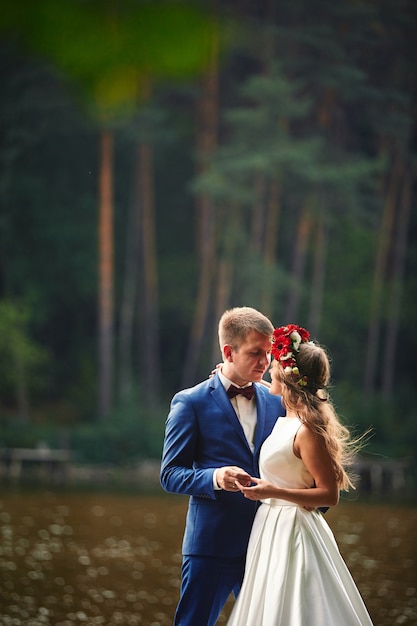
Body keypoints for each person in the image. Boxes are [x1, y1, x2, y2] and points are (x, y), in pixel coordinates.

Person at [227, 324, 373, 626]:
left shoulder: (307, 431)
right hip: (269, 525)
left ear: (288, 376)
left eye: (276, 363)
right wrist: (226, 373)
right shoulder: (286, 417)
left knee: (297, 604)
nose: (269, 366)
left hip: (294, 529)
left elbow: (328, 494)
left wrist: (273, 492)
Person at [160, 306, 286, 626]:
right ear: (229, 352)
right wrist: (216, 477)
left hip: (266, 541)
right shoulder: (190, 402)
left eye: (268, 353)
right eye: (256, 353)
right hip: (210, 546)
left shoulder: (277, 400)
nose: (265, 362)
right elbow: (170, 474)